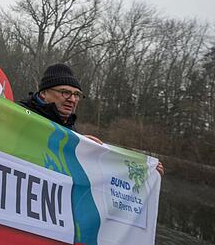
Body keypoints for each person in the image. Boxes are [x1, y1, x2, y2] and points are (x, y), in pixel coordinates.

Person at [18, 63, 165, 176]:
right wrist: (70, 141)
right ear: (43, 93)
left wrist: (146, 170)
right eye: (65, 92)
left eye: (77, 95)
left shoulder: (71, 128)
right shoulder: (19, 113)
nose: (73, 99)